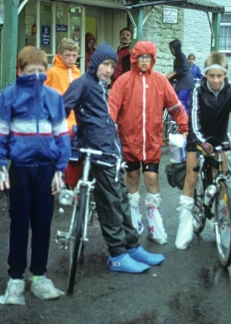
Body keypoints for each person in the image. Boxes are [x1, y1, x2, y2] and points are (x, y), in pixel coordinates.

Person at [63, 43, 165, 273]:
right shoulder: (82, 84)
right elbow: (62, 109)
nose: (109, 70)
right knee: (109, 205)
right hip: (97, 155)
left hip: (110, 154)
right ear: (95, 63)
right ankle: (117, 254)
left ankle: (132, 247)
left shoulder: (99, 87)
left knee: (121, 201)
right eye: (105, 64)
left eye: (112, 65)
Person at [0, 46, 71, 305]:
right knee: (19, 224)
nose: (35, 75)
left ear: (45, 71)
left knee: (43, 224)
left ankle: (39, 276)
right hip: (21, 170)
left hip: (46, 170)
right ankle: (15, 278)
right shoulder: (9, 96)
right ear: (20, 70)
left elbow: (61, 134)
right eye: (30, 70)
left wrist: (61, 168)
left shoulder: (53, 97)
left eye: (40, 70)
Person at [109, 41, 189, 245]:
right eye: (141, 57)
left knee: (152, 178)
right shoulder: (123, 81)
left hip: (152, 141)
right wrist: (107, 130)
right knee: (133, 177)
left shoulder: (160, 80)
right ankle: (134, 223)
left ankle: (155, 225)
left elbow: (175, 107)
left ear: (153, 59)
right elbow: (112, 108)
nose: (144, 61)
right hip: (129, 141)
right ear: (135, 58)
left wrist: (185, 127)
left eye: (148, 57)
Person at [174, 52, 231, 250]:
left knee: (221, 175)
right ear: (205, 74)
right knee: (192, 176)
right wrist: (199, 141)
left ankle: (222, 215)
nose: (215, 80)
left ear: (225, 75)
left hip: (219, 136)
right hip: (198, 135)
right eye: (211, 76)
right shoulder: (198, 89)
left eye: (219, 76)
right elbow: (194, 117)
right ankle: (185, 225)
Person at [45, 38, 82, 188]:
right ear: (60, 55)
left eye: (74, 55)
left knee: (75, 158)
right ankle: (57, 182)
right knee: (60, 155)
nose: (71, 59)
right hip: (59, 122)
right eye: (68, 55)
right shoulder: (52, 72)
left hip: (76, 122)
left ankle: (70, 186)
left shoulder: (78, 72)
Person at [166, 39, 194, 115]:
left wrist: (173, 73)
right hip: (181, 85)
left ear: (177, 48)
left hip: (185, 85)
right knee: (179, 105)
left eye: (174, 48)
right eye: (171, 48)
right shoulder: (177, 59)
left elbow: (185, 68)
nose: (172, 50)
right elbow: (175, 74)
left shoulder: (182, 57)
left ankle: (184, 125)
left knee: (182, 106)